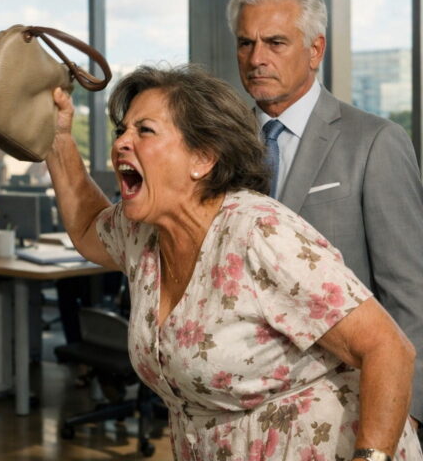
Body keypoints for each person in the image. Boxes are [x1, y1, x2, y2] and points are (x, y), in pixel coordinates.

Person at [46, 64, 422, 461]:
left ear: (202, 158)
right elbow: (87, 226)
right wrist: (58, 138)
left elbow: (388, 348)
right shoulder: (142, 231)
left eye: (145, 131)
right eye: (122, 130)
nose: (122, 142)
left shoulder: (261, 233)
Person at [227, 0, 423, 441]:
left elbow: (410, 292)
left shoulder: (374, 142)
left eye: (275, 42)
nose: (256, 58)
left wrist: (406, 415)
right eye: (246, 43)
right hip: (240, 411)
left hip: (345, 408)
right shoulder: (222, 149)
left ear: (315, 50)